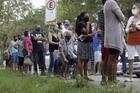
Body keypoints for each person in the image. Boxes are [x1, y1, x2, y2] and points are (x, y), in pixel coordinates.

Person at [104, 0, 125, 83]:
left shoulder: (106, 3)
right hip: (114, 35)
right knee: (112, 58)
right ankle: (111, 79)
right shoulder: (112, 2)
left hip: (111, 34)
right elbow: (122, 17)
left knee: (114, 58)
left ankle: (114, 79)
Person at [75, 12, 94, 80]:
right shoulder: (79, 24)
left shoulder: (88, 24)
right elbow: (86, 31)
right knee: (81, 59)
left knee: (86, 60)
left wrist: (90, 34)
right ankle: (82, 76)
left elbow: (91, 33)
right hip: (82, 43)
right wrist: (88, 25)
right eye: (86, 16)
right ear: (82, 17)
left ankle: (86, 76)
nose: (88, 17)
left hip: (89, 42)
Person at [125, 3, 140, 82]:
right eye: (133, 8)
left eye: (135, 8)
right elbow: (126, 30)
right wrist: (130, 29)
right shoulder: (130, 18)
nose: (133, 10)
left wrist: (137, 26)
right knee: (130, 59)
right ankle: (130, 77)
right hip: (130, 41)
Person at [98, 0, 109, 84]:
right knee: (105, 59)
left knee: (106, 58)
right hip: (106, 38)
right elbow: (102, 27)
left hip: (106, 38)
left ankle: (107, 77)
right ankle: (103, 77)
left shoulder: (102, 12)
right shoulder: (102, 12)